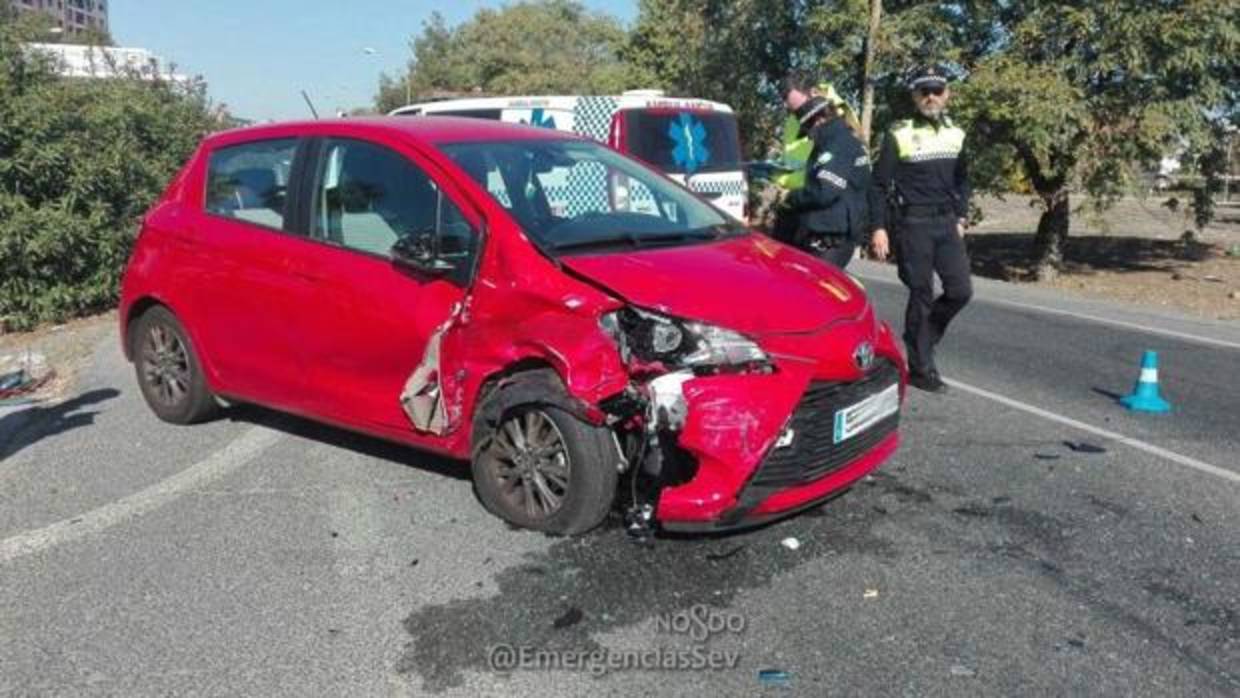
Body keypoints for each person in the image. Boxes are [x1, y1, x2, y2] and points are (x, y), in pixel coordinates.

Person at [869, 63, 973, 393]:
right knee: (921, 293)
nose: (931, 97)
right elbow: (878, 185)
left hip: (946, 223)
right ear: (914, 95)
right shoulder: (898, 132)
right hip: (912, 223)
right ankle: (921, 366)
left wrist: (960, 215)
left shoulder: (957, 133)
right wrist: (878, 228)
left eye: (937, 91)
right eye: (924, 91)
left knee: (960, 291)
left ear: (947, 94)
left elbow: (964, 179)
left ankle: (922, 338)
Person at [779, 90, 871, 268]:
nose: (809, 136)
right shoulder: (842, 140)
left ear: (819, 120)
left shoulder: (837, 145)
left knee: (814, 294)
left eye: (807, 130)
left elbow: (824, 191)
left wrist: (791, 197)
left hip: (829, 241)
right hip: (830, 236)